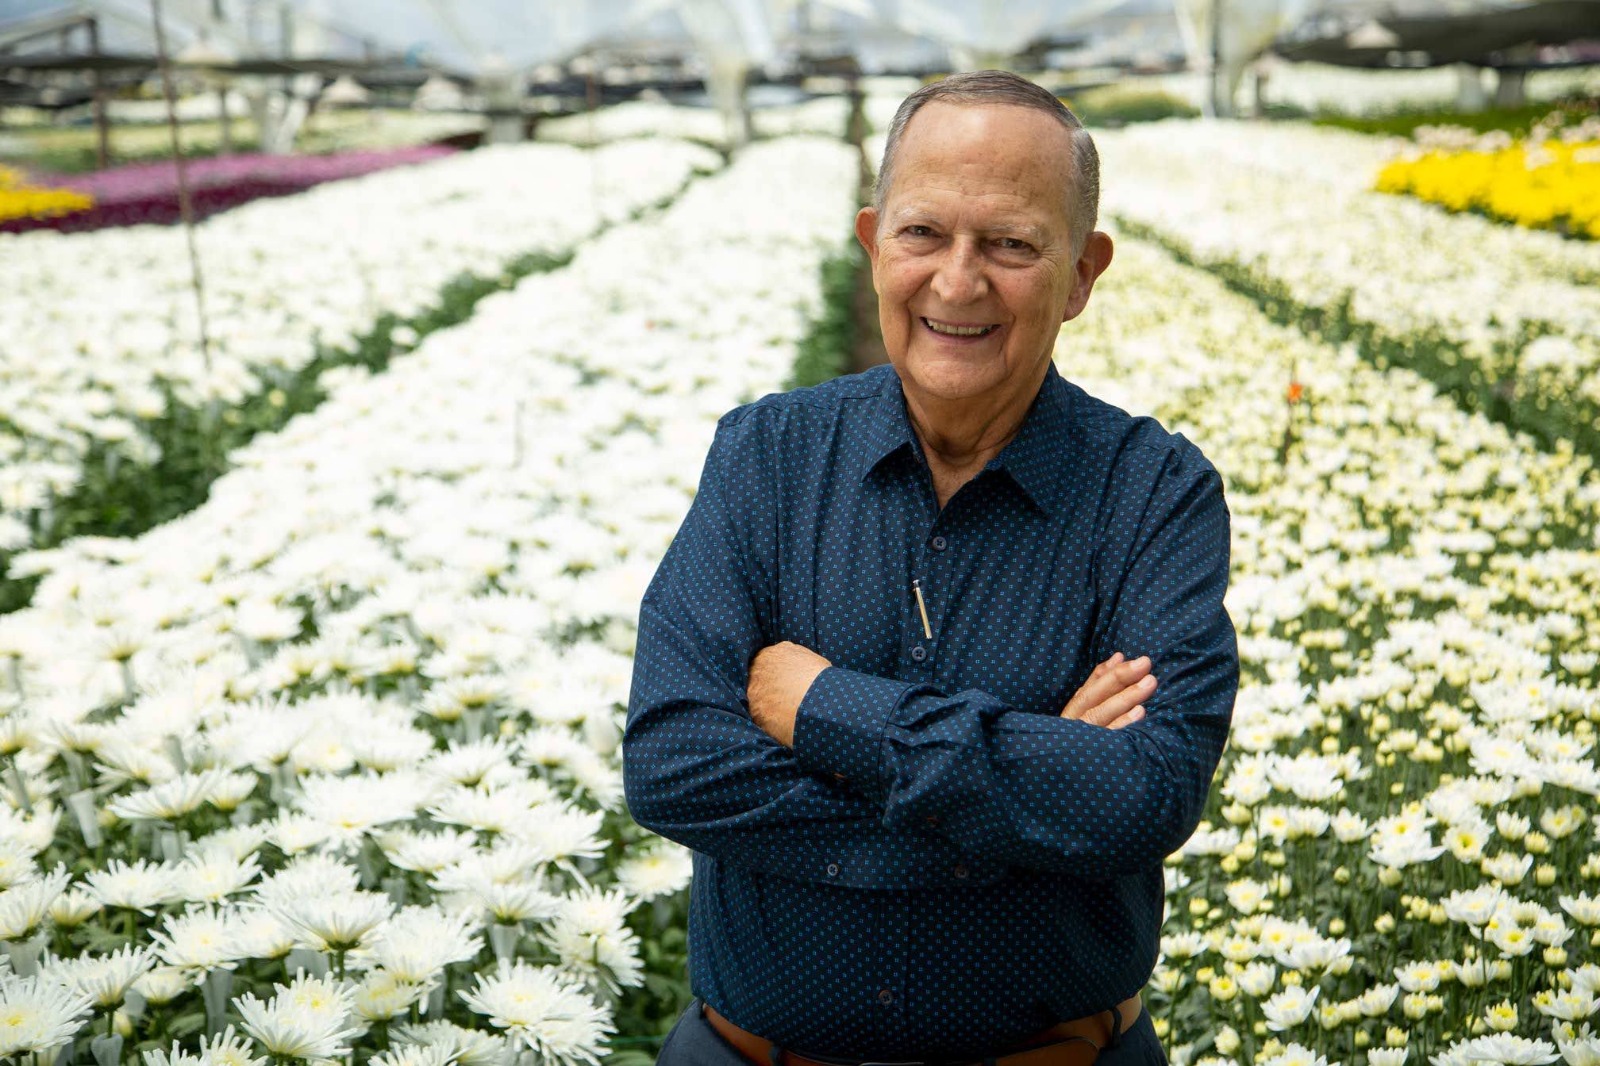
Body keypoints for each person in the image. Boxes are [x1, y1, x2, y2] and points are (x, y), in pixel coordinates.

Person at [624, 70, 1238, 1066]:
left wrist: (825, 709)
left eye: (1009, 243)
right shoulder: (767, 457)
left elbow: (1142, 795)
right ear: (872, 243)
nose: (957, 281)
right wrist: (1021, 797)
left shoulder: (1151, 493)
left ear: (1082, 272)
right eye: (922, 234)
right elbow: (673, 764)